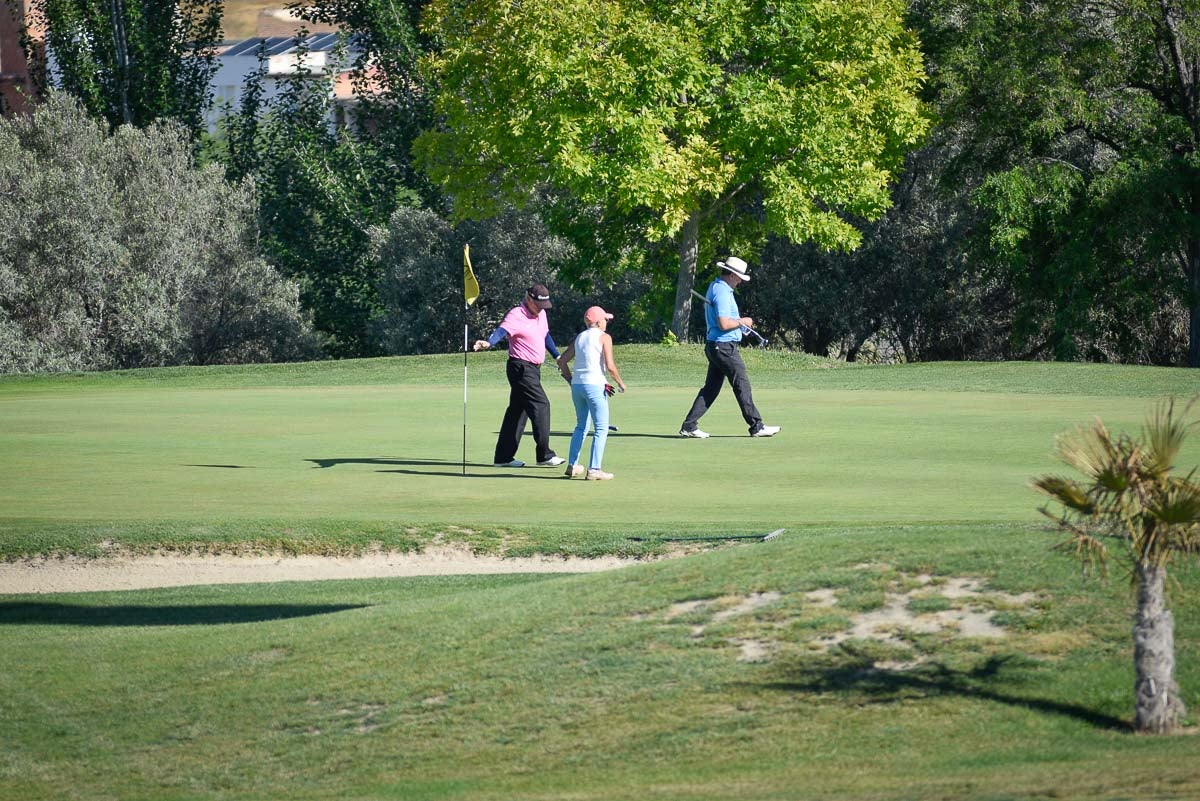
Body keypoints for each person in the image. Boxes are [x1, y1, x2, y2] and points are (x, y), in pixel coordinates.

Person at [679, 256, 781, 439]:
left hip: (717, 345)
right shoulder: (723, 292)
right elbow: (724, 324)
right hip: (723, 347)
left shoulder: (716, 286)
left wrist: (740, 326)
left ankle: (689, 425)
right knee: (742, 383)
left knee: (711, 389)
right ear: (733, 275)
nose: (741, 281)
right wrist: (745, 321)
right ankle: (756, 426)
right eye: (740, 277)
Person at [473, 283, 566, 468]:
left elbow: (545, 335)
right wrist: (488, 343)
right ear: (529, 299)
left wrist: (557, 356)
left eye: (544, 306)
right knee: (541, 405)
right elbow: (502, 331)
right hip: (520, 368)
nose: (541, 309)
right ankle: (544, 455)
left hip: (533, 369)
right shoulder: (516, 314)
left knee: (518, 411)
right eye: (538, 305)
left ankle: (503, 457)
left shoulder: (541, 314)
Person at [557, 306, 627, 480]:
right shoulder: (605, 337)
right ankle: (594, 469)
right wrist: (620, 383)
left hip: (578, 386)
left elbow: (562, 361)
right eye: (605, 320)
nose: (607, 322)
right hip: (595, 386)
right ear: (597, 321)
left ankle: (573, 465)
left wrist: (569, 378)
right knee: (601, 428)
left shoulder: (579, 337)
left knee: (581, 426)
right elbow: (610, 366)